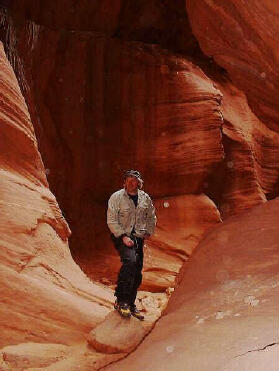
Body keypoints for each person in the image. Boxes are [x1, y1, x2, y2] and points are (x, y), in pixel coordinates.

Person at [107, 170, 156, 320]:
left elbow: (151, 216)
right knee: (130, 262)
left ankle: (131, 302)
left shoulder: (144, 198)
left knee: (137, 270)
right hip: (121, 235)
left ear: (139, 182)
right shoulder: (116, 197)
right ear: (125, 182)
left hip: (138, 237)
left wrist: (149, 231)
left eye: (135, 180)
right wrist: (122, 236)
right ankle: (121, 300)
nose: (132, 182)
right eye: (129, 180)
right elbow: (111, 220)